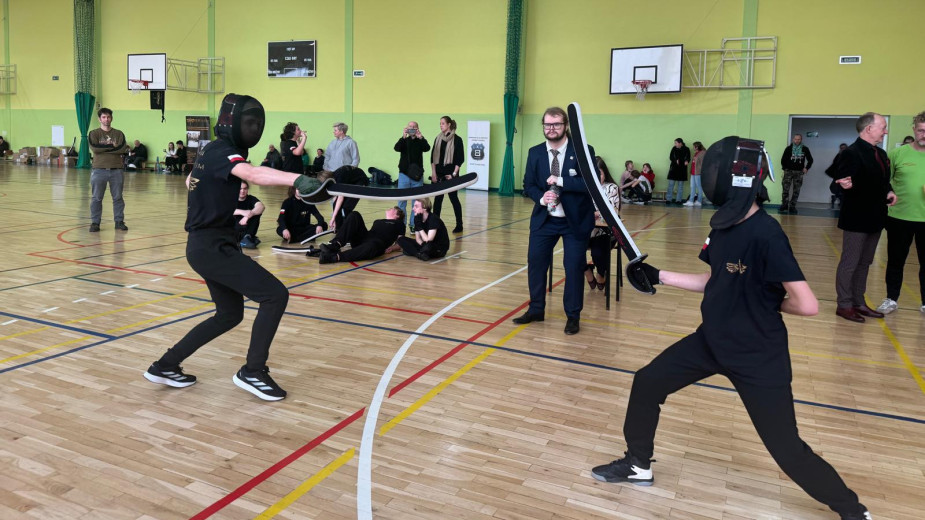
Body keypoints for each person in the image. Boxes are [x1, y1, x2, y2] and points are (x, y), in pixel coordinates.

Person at [596, 136, 873, 520]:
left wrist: (764, 298)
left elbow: (808, 305)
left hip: (757, 355)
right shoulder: (723, 226)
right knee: (647, 383)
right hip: (711, 341)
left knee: (786, 448)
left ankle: (853, 510)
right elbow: (717, 280)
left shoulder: (768, 233)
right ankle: (638, 464)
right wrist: (658, 275)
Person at [143, 93, 321, 401]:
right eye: (249, 122)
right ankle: (253, 371)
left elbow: (190, 183)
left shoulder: (211, 151)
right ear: (232, 122)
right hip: (211, 247)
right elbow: (252, 174)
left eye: (257, 123)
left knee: (229, 313)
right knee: (275, 295)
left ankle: (166, 364)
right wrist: (298, 179)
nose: (254, 128)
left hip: (210, 245)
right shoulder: (220, 151)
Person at [513, 106, 595, 335]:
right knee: (536, 264)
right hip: (544, 219)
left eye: (556, 124)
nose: (551, 128)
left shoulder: (583, 151)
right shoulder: (535, 152)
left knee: (573, 267)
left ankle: (573, 316)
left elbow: (590, 184)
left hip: (575, 221)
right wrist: (540, 197)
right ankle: (536, 309)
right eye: (547, 124)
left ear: (565, 126)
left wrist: (560, 181)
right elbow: (528, 184)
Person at [832, 112, 897, 323]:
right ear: (869, 129)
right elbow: (835, 183)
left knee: (865, 262)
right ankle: (844, 304)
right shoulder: (850, 153)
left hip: (876, 217)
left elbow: (882, 181)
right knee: (850, 262)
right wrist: (842, 185)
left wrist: (889, 191)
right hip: (856, 218)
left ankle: (858, 302)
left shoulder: (881, 153)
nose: (885, 131)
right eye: (883, 127)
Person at [876, 111, 925, 315]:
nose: (924, 135)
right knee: (896, 261)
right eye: (921, 130)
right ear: (914, 130)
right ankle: (891, 299)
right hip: (898, 218)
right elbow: (885, 182)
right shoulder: (897, 154)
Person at [87, 107, 130, 232]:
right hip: (98, 170)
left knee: (118, 197)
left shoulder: (119, 134)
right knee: (96, 198)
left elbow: (122, 149)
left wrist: (104, 147)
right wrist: (112, 146)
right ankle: (95, 223)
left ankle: (119, 221)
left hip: (116, 170)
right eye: (104, 117)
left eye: (108, 117)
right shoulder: (93, 134)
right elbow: (95, 148)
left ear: (112, 118)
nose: (106, 119)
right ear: (99, 119)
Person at [318, 207, 405, 264]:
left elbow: (401, 241)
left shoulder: (399, 224)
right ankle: (335, 245)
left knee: (373, 245)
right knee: (355, 214)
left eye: (393, 209)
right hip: (365, 237)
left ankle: (335, 257)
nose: (390, 208)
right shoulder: (378, 220)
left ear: (397, 215)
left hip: (376, 243)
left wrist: (393, 248)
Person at [586, 158, 620, 291]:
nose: (595, 176)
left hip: (605, 233)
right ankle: (587, 270)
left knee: (598, 252)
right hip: (584, 231)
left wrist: (593, 213)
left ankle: (600, 272)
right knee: (572, 250)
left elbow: (611, 212)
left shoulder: (611, 188)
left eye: (599, 173)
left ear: (605, 172)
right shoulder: (584, 188)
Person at [431, 115, 465, 233]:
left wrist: (454, 174)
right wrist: (434, 173)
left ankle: (459, 224)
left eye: (443, 123)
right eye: (440, 123)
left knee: (454, 199)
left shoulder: (457, 139)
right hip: (439, 174)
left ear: (449, 124)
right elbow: (433, 158)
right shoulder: (438, 138)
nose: (441, 125)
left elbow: (460, 159)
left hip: (451, 175)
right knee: (438, 200)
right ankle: (435, 225)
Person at [394, 120, 431, 229]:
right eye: (410, 126)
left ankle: (413, 225)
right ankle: (401, 224)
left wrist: (421, 137)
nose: (412, 128)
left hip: (416, 176)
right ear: (406, 128)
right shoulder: (404, 140)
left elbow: (427, 148)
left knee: (416, 203)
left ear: (417, 129)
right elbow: (396, 148)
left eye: (414, 127)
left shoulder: (420, 140)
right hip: (404, 175)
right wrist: (403, 136)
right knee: (401, 202)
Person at [779, 133, 815, 214]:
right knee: (785, 189)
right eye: (795, 139)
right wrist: (785, 169)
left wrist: (806, 168)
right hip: (788, 171)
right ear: (793, 139)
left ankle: (792, 206)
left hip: (799, 172)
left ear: (801, 140)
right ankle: (784, 205)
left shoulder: (805, 149)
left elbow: (810, 160)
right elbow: (783, 160)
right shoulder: (788, 149)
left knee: (796, 190)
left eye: (798, 139)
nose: (797, 141)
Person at [327, 165, 369, 230]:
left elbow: (340, 198)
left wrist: (333, 218)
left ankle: (348, 230)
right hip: (351, 181)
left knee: (346, 208)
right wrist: (335, 219)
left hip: (361, 180)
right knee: (336, 205)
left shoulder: (339, 179)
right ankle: (338, 228)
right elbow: (335, 199)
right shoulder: (333, 178)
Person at [234, 180, 265, 249]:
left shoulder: (251, 199)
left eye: (245, 188)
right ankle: (244, 240)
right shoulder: (231, 199)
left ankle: (247, 238)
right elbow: (225, 210)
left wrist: (248, 215)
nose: (242, 191)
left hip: (247, 231)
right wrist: (242, 212)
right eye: (240, 188)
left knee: (257, 213)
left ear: (247, 189)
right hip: (234, 230)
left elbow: (261, 206)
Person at [683, 141, 708, 206]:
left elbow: (703, 163)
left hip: (698, 173)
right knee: (692, 186)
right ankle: (691, 201)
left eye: (694, 146)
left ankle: (699, 201)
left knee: (699, 187)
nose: (693, 147)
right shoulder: (696, 153)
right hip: (693, 172)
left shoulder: (702, 153)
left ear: (697, 147)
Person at [667, 138, 690, 205]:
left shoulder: (686, 149)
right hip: (674, 169)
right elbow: (671, 157)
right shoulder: (674, 148)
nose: (675, 144)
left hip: (682, 170)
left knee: (680, 186)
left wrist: (686, 161)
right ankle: (668, 199)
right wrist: (675, 160)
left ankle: (678, 200)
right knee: (670, 185)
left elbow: (688, 157)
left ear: (680, 143)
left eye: (676, 143)